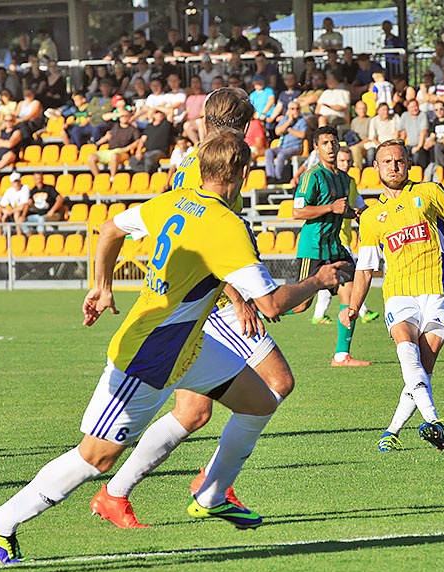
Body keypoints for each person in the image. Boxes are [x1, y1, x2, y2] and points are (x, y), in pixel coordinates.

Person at [0, 131, 349, 564]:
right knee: (95, 458)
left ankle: (213, 492)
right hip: (149, 356)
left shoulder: (173, 200)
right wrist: (320, 280)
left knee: (258, 401)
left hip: (189, 348)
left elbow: (109, 228)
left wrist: (102, 287)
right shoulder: (225, 224)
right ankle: (2, 521)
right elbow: (270, 304)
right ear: (240, 172)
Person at [86, 90, 309, 529]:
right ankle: (211, 487)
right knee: (276, 382)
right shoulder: (209, 168)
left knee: (194, 412)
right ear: (243, 124)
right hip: (208, 302)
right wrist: (237, 296)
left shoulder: (199, 158)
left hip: (206, 297)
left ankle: (119, 494)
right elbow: (198, 237)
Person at [339, 139, 444, 452]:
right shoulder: (371, 217)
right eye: (387, 162)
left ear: (408, 163)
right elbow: (366, 268)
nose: (394, 167)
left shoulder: (430, 192)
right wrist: (353, 306)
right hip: (398, 293)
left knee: (422, 369)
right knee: (407, 352)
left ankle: (392, 431)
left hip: (438, 287)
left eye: (399, 161)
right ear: (376, 168)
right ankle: (433, 421)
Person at [291, 126, 371, 367]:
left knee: (352, 293)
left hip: (335, 246)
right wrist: (331, 208)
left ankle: (341, 355)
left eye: (333, 142)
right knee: (300, 305)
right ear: (316, 148)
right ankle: (258, 310)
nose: (330, 147)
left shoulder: (345, 179)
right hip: (313, 247)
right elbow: (297, 212)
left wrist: (355, 214)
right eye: (324, 143)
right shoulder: (311, 176)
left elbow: (342, 209)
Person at [310, 146, 380, 326]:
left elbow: (361, 207)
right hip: (334, 239)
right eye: (342, 161)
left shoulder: (350, 182)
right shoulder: (326, 181)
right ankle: (362, 311)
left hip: (345, 238)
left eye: (349, 161)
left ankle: (318, 315)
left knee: (332, 280)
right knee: (353, 277)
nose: (346, 164)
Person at [87, 109, 141, 177]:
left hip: (122, 152)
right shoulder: (115, 126)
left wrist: (127, 148)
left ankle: (112, 178)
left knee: (114, 156)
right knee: (91, 157)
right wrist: (117, 114)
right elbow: (104, 117)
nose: (124, 118)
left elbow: (138, 141)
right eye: (122, 116)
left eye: (126, 116)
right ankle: (98, 178)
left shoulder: (133, 129)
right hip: (109, 151)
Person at [265, 101, 307, 184]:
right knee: (268, 151)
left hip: (295, 147)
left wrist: (289, 130)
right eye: (292, 109)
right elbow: (277, 131)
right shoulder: (285, 119)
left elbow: (302, 135)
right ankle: (270, 175)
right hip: (283, 146)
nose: (295, 111)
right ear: (288, 110)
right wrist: (289, 121)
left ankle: (278, 177)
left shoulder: (302, 121)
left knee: (281, 155)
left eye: (297, 109)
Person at [128, 108, 173, 173]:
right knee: (132, 160)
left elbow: (170, 111)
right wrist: (138, 151)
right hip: (148, 152)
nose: (159, 114)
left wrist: (156, 107)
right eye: (157, 113)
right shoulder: (149, 126)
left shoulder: (166, 124)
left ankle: (146, 175)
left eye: (161, 113)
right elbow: (142, 140)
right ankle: (143, 173)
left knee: (148, 160)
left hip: (160, 152)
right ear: (153, 115)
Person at [0, 171, 30, 236]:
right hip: (12, 212)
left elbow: (23, 206)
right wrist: (5, 211)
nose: (17, 183)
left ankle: (19, 236)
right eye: (15, 182)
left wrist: (9, 212)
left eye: (18, 181)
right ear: (11, 183)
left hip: (23, 213)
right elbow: (1, 206)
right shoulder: (9, 191)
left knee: (16, 214)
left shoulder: (25, 188)